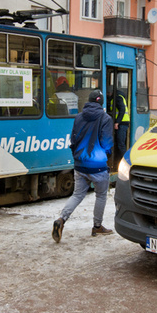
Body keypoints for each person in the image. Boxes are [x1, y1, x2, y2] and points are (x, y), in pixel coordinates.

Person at [52, 89, 114, 242]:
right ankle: (97, 226)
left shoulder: (79, 117)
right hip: (98, 166)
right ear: (101, 102)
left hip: (80, 164)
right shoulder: (105, 118)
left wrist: (77, 157)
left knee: (77, 195)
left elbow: (73, 140)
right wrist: (107, 155)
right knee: (100, 195)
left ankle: (61, 219)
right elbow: (107, 142)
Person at [112, 89, 129, 167]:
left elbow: (122, 110)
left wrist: (117, 122)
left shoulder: (118, 97)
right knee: (119, 144)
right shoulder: (117, 97)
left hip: (122, 123)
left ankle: (126, 163)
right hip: (121, 123)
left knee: (121, 144)